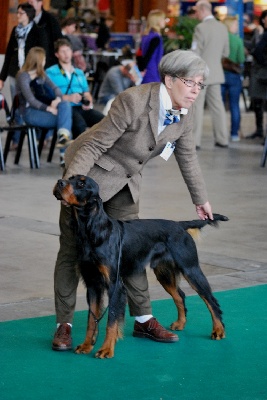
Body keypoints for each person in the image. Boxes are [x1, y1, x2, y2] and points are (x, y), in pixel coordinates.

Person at [52, 49, 214, 351]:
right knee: (73, 249)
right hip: (90, 172)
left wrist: (200, 199)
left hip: (126, 179)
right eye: (191, 82)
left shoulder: (184, 114)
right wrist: (72, 187)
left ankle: (143, 320)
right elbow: (94, 146)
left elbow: (187, 157)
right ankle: (65, 324)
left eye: (200, 85)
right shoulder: (134, 100)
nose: (195, 90)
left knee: (131, 249)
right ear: (169, 79)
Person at [0, 2, 46, 150]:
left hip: (32, 74)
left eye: (21, 13)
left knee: (35, 103)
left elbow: (42, 54)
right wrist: (2, 77)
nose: (18, 15)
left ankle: (40, 136)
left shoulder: (38, 31)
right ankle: (16, 139)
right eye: (17, 13)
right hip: (16, 73)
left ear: (29, 15)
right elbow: (8, 55)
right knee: (17, 105)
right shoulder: (15, 30)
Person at [16, 46, 73, 158]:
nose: (45, 61)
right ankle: (64, 155)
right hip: (29, 112)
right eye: (44, 59)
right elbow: (31, 100)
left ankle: (63, 138)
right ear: (38, 60)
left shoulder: (41, 74)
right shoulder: (23, 77)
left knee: (64, 105)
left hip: (42, 110)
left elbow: (56, 89)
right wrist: (49, 108)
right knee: (65, 120)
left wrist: (57, 100)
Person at [46, 39, 104, 141]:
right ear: (56, 54)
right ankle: (77, 154)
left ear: (72, 52)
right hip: (65, 108)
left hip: (82, 107)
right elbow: (49, 96)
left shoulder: (79, 72)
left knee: (105, 121)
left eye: (68, 50)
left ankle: (101, 152)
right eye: (62, 51)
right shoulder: (50, 72)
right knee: (80, 124)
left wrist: (88, 101)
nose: (66, 54)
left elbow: (86, 92)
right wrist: (69, 98)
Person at [191, 0, 229, 149]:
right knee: (218, 107)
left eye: (196, 11)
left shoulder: (200, 28)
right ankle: (222, 139)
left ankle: (195, 142)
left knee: (197, 107)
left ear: (202, 10)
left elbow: (195, 53)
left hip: (200, 74)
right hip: (217, 73)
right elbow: (226, 52)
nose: (195, 14)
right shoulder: (222, 27)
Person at [221, 16, 245, 142]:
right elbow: (241, 59)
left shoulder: (220, 40)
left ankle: (220, 133)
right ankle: (234, 133)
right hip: (234, 77)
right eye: (235, 24)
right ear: (230, 26)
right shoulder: (237, 40)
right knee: (234, 105)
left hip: (220, 75)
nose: (237, 27)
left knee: (219, 106)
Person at [246, 10, 267, 140]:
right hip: (260, 73)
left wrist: (263, 62)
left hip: (261, 72)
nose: (265, 21)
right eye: (264, 18)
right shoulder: (261, 32)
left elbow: (258, 51)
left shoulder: (264, 34)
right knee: (258, 101)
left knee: (260, 101)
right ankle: (259, 131)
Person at [28, 0, 63, 68]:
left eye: (32, 2)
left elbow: (58, 40)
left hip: (47, 63)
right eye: (28, 2)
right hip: (29, 63)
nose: (29, 5)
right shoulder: (26, 19)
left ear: (40, 3)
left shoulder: (51, 20)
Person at [138, 9, 166, 84]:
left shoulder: (146, 35)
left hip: (146, 71)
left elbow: (140, 53)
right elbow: (148, 55)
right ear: (157, 21)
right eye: (163, 19)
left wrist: (141, 68)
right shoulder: (156, 38)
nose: (164, 21)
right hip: (152, 72)